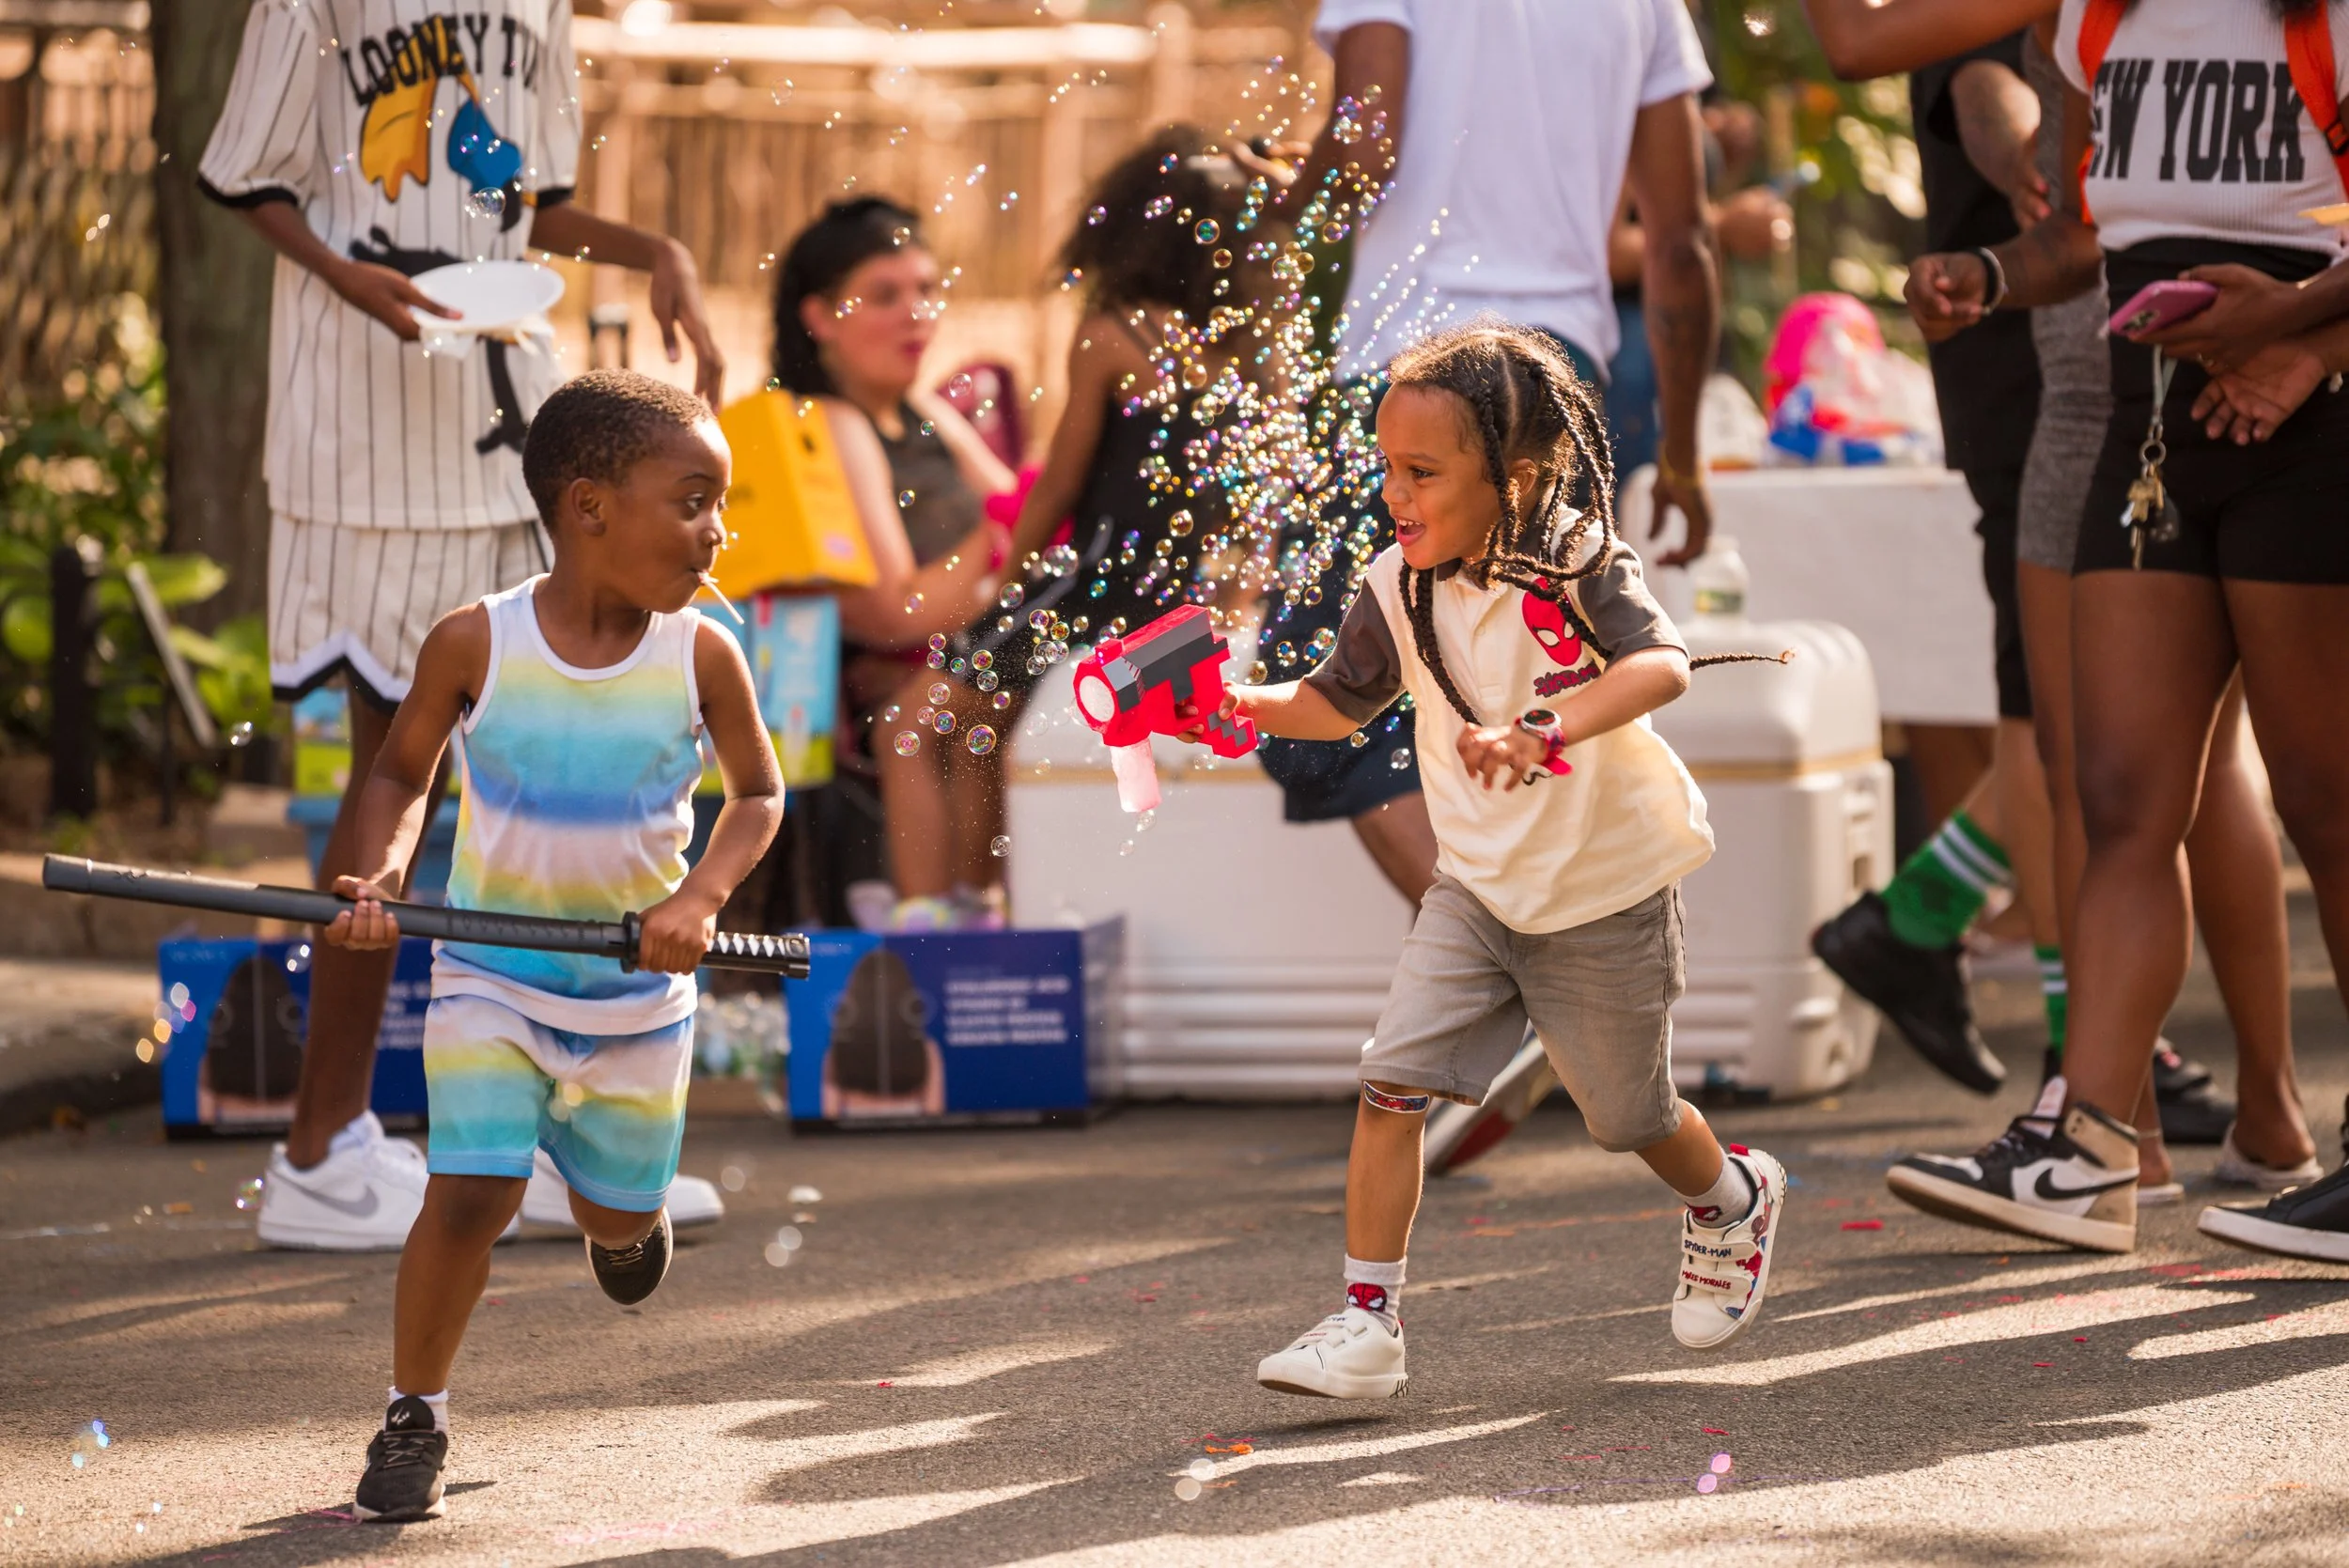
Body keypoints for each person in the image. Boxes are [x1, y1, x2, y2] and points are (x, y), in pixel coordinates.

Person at [199, 0, 733, 1251]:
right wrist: (346, 275)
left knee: (537, 751)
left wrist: (653, 245)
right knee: (404, 753)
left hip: (513, 424)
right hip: (370, 432)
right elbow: (245, 176)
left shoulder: (538, 4)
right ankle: (321, 1153)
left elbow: (516, 207)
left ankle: (535, 1127)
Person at [1184, 324, 1786, 1398]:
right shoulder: (1395, 583)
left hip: (1602, 891)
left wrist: (1545, 728)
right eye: (1385, 469)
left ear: (1509, 472)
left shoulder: (1575, 559)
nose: (1394, 495)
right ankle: (1366, 1323)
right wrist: (1232, 705)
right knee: (1391, 1079)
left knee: (1627, 1117)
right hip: (1473, 886)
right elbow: (1336, 700)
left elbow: (1659, 666)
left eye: (1421, 472)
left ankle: (1731, 1199)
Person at [1887, 0, 2349, 1256]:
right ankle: (2087, 1149)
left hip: (2305, 431)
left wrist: (2301, 328)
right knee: (2122, 790)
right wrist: (1983, 278)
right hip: (2146, 435)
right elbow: (2081, 242)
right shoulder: (2096, 23)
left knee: (2324, 795)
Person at [320, 371, 784, 1520]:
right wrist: (379, 873)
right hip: (491, 977)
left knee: (615, 1220)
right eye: (690, 500)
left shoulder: (702, 654)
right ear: (589, 507)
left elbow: (759, 797)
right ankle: (413, 1410)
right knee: (469, 1195)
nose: (714, 530)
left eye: (716, 504)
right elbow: (396, 773)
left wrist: (703, 896)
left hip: (635, 995)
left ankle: (623, 1220)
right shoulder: (476, 641)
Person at [1248, 0, 1722, 909]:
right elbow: (1681, 239)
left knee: (1336, 716)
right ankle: (1544, 995)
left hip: (1409, 382)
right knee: (1538, 705)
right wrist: (1687, 456)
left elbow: (1362, 152)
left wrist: (1284, 191)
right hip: (1551, 393)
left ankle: (1499, 978)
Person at [769, 199, 1014, 932]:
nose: (919, 313)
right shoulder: (824, 423)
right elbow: (898, 611)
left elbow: (1035, 543)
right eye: (885, 295)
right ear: (819, 316)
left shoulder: (926, 413)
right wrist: (999, 545)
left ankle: (980, 922)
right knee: (933, 719)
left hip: (970, 660)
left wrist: (1006, 552)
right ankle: (947, 931)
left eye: (928, 290)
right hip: (890, 704)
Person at [972, 129, 1264, 711]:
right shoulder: (1245, 346)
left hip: (1094, 587)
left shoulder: (1113, 336)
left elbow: (1059, 484)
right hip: (1178, 602)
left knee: (925, 727)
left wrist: (1009, 591)